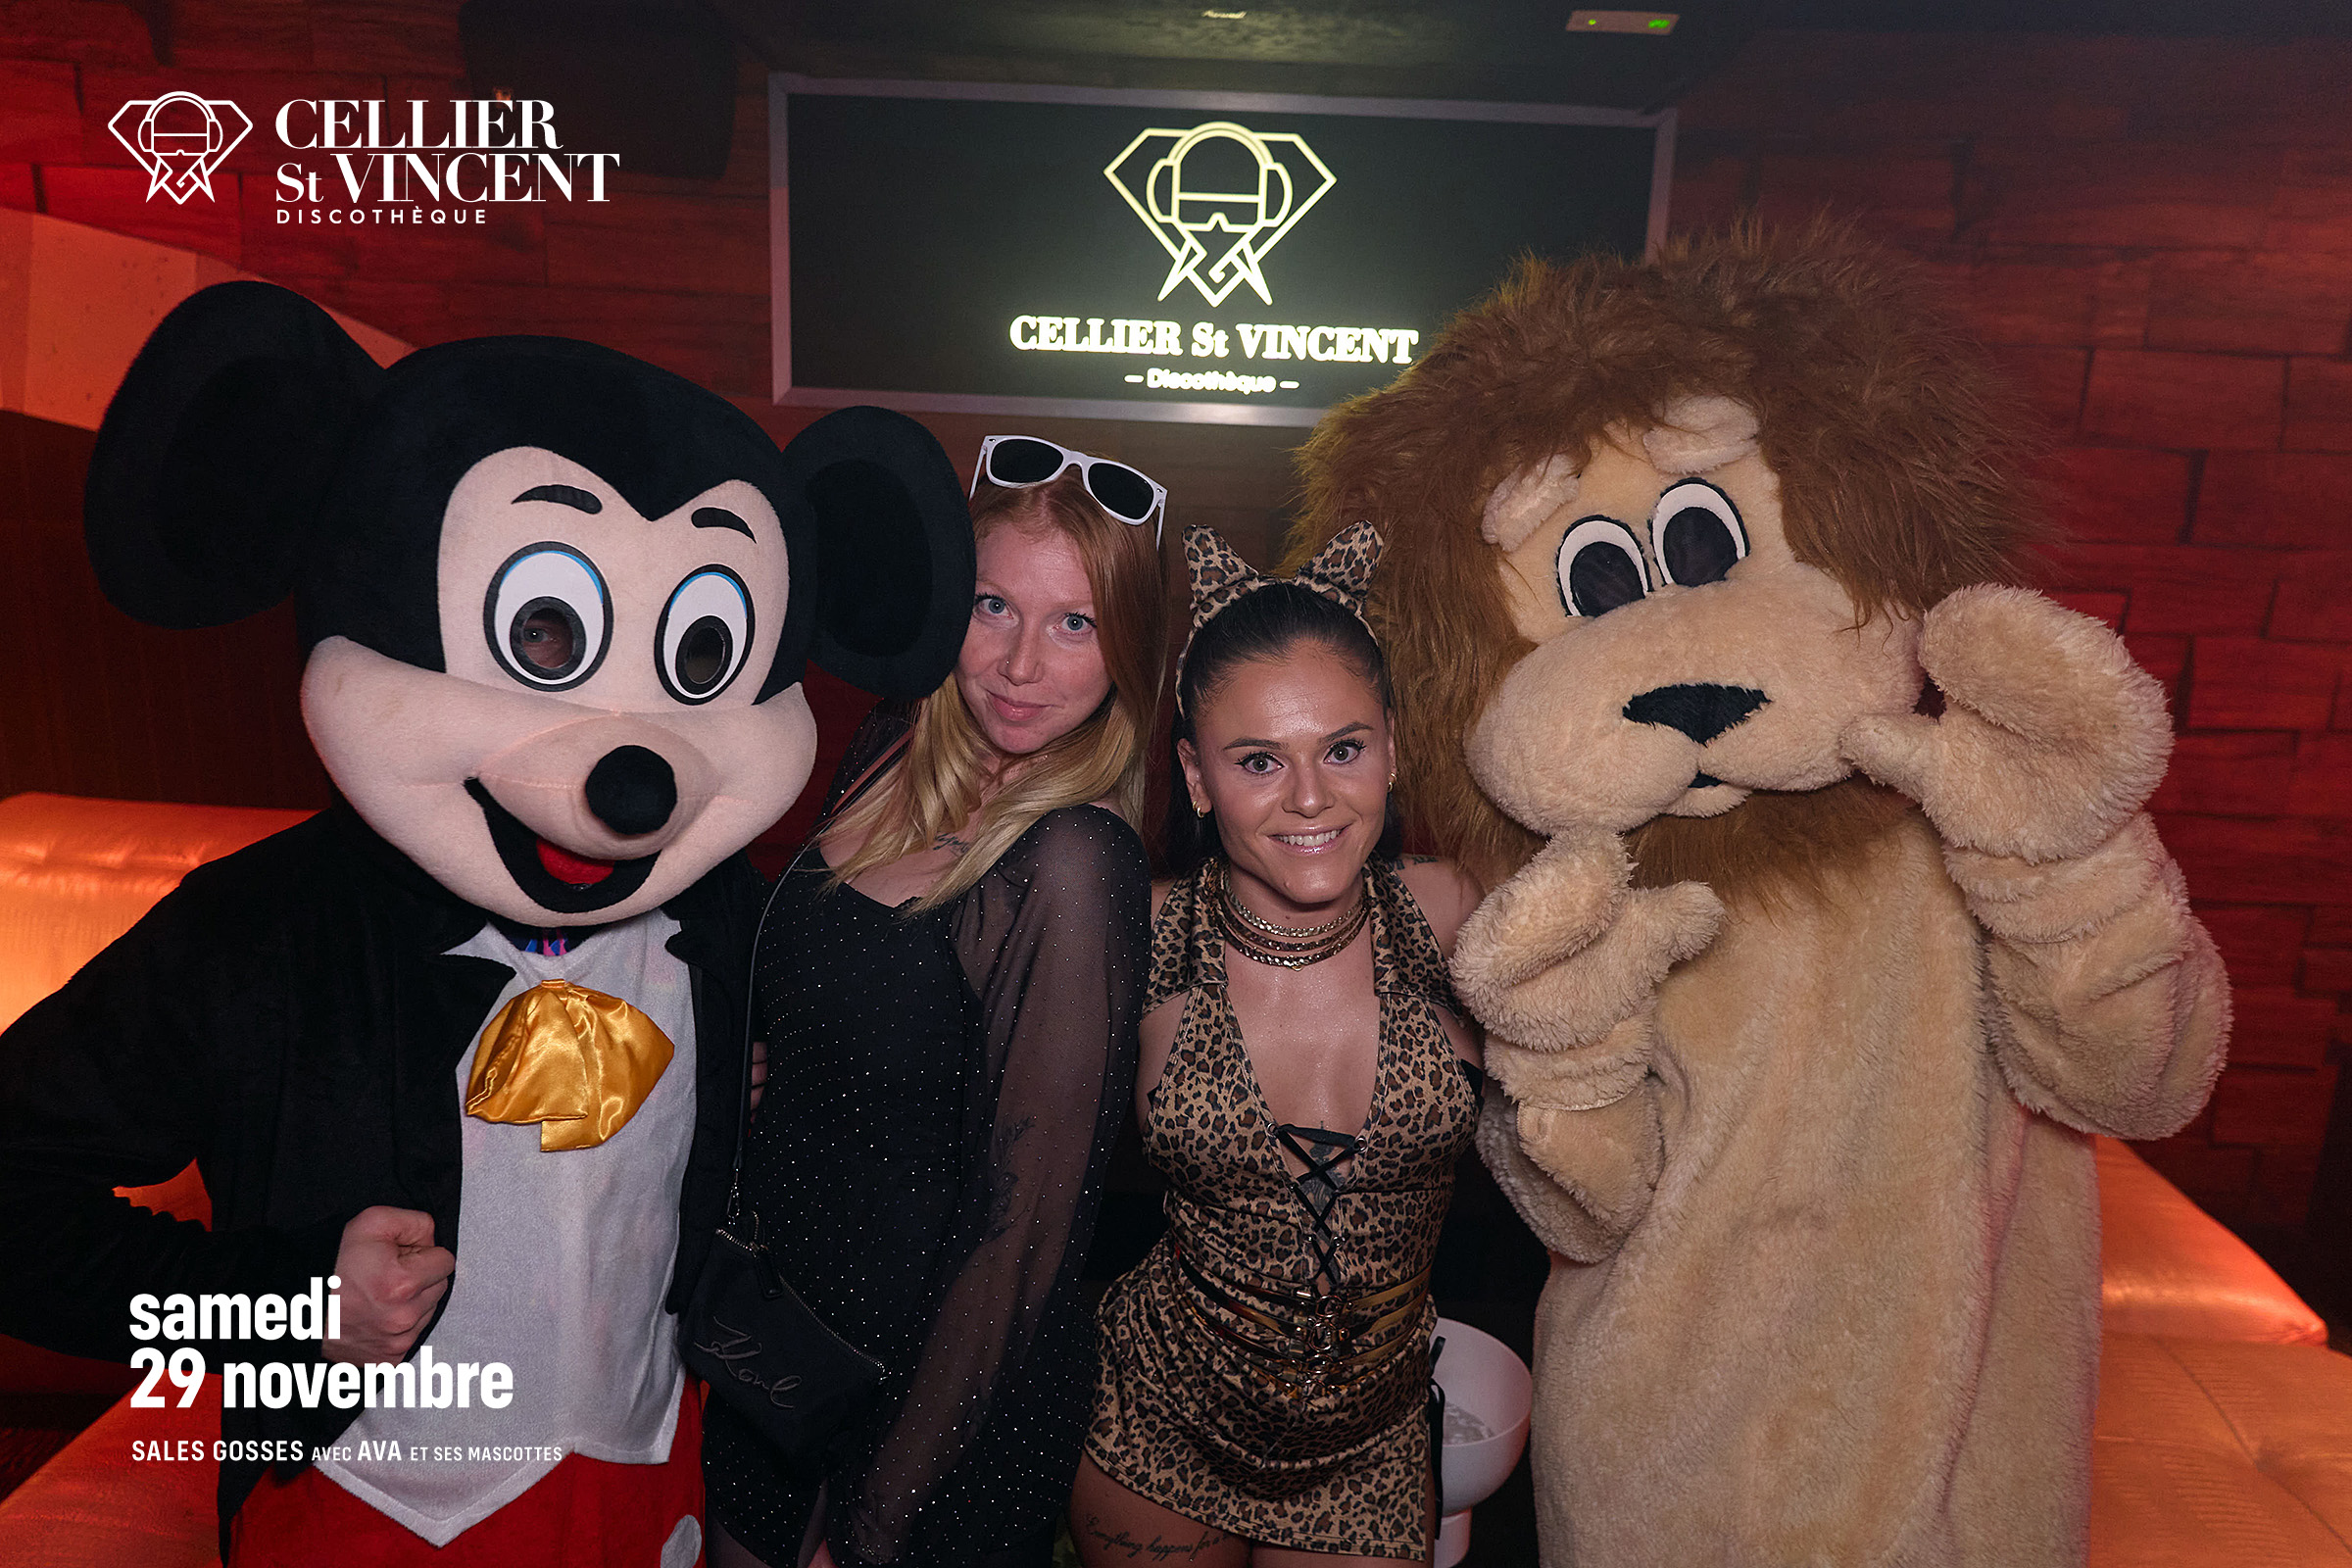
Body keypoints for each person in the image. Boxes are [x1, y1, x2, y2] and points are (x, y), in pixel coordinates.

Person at [704, 437, 1168, 1568]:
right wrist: (773, 1066)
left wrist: (875, 1519)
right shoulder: (887, 746)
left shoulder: (1074, 864)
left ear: (1129, 647)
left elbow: (1023, 1240)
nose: (1019, 662)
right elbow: (831, 991)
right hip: (782, 1348)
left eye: (1075, 623)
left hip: (935, 1407)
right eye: (993, 604)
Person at [1074, 523, 1486, 1568]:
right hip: (1155, 1427)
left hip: (1371, 1450)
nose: (1310, 797)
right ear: (1196, 774)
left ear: (1392, 746)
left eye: (1343, 749)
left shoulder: (1459, 915)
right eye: (1259, 760)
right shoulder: (1138, 931)